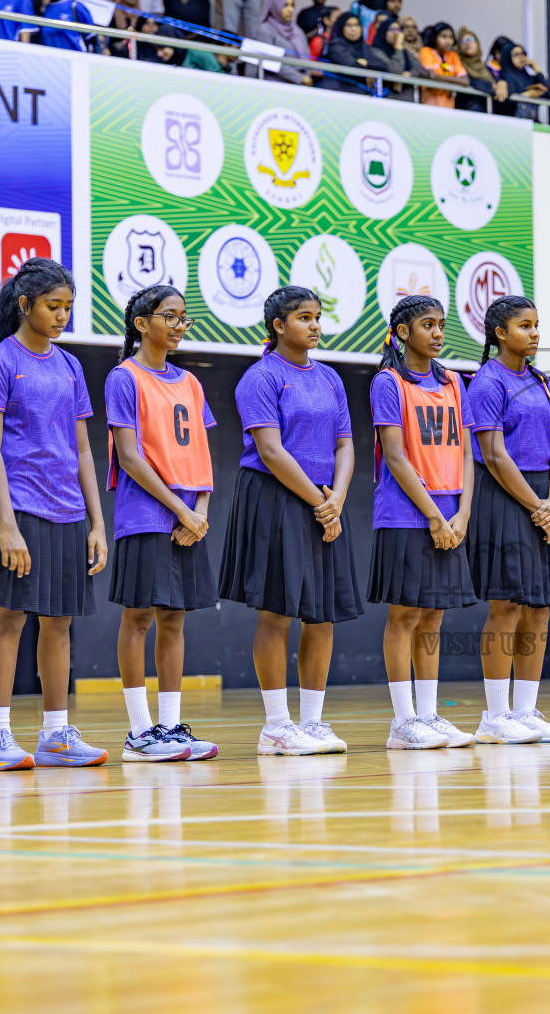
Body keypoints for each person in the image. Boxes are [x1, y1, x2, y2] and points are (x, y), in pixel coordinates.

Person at [0, 259, 109, 772]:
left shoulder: (71, 367)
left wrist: (97, 522)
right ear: (24, 304)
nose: (62, 316)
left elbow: (85, 451)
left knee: (60, 622)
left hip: (68, 510)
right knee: (10, 618)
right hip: (20, 506)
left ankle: (55, 734)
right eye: (53, 307)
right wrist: (5, 524)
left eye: (68, 308)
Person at [219, 287, 362, 757]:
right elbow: (270, 450)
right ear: (278, 326)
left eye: (318, 316)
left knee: (321, 614)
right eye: (304, 317)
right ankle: (276, 726)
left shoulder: (330, 379)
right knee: (276, 612)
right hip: (276, 500)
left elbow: (345, 443)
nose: (315, 325)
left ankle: (313, 723)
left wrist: (337, 497)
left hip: (325, 502)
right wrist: (319, 501)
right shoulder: (259, 378)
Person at [106, 286, 217, 763]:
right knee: (138, 617)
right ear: (141, 323)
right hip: (147, 514)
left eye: (183, 318)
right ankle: (138, 732)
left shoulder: (190, 382)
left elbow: (203, 456)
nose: (177, 325)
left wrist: (201, 512)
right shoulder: (123, 377)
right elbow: (129, 456)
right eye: (168, 316)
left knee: (175, 618)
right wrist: (180, 508)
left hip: (190, 517)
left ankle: (169, 727)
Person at [369, 296, 476, 750]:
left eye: (441, 325)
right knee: (406, 614)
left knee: (434, 616)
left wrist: (463, 512)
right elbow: (395, 454)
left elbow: (468, 453)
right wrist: (434, 514)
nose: (436, 333)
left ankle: (429, 715)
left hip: (451, 514)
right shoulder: (387, 382)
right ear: (403, 332)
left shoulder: (453, 381)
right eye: (426, 325)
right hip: (407, 515)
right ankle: (403, 721)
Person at [466, 296, 550, 745]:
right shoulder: (487, 383)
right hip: (507, 497)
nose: (534, 333)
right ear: (500, 334)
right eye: (524, 326)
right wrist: (536, 505)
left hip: (545, 495)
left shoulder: (544, 383)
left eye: (536, 325)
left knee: (540, 606)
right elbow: (493, 453)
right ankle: (495, 715)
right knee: (506, 606)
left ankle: (526, 711)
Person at [249, 0, 314, 85]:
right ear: (275, 5)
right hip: (275, 86)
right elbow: (270, 62)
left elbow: (306, 57)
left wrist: (306, 77)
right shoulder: (265, 30)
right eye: (285, 5)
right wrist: (300, 78)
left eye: (292, 5)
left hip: (300, 86)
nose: (290, 10)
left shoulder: (297, 30)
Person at [323, 12, 383, 93]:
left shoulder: (365, 46)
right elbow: (352, 66)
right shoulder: (335, 45)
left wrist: (366, 62)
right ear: (341, 28)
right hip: (338, 91)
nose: (353, 29)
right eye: (349, 25)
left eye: (356, 25)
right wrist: (368, 72)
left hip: (364, 93)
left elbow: (383, 66)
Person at [418, 23, 469, 108]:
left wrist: (440, 78)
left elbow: (465, 81)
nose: (448, 41)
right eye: (443, 37)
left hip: (448, 107)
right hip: (428, 105)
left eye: (451, 37)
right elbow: (432, 76)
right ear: (435, 38)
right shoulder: (426, 51)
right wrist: (455, 80)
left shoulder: (452, 55)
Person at [492, 40, 546, 121]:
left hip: (532, 123)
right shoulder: (502, 79)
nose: (521, 57)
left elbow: (549, 91)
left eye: (523, 53)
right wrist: (525, 95)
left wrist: (537, 69)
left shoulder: (529, 78)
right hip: (509, 123)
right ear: (507, 57)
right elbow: (503, 102)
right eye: (516, 55)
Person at [456, 28, 500, 113]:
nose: (467, 43)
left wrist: (502, 84)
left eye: (471, 39)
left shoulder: (486, 68)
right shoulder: (458, 64)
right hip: (467, 112)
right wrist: (490, 86)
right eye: (463, 41)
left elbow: (497, 84)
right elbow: (470, 81)